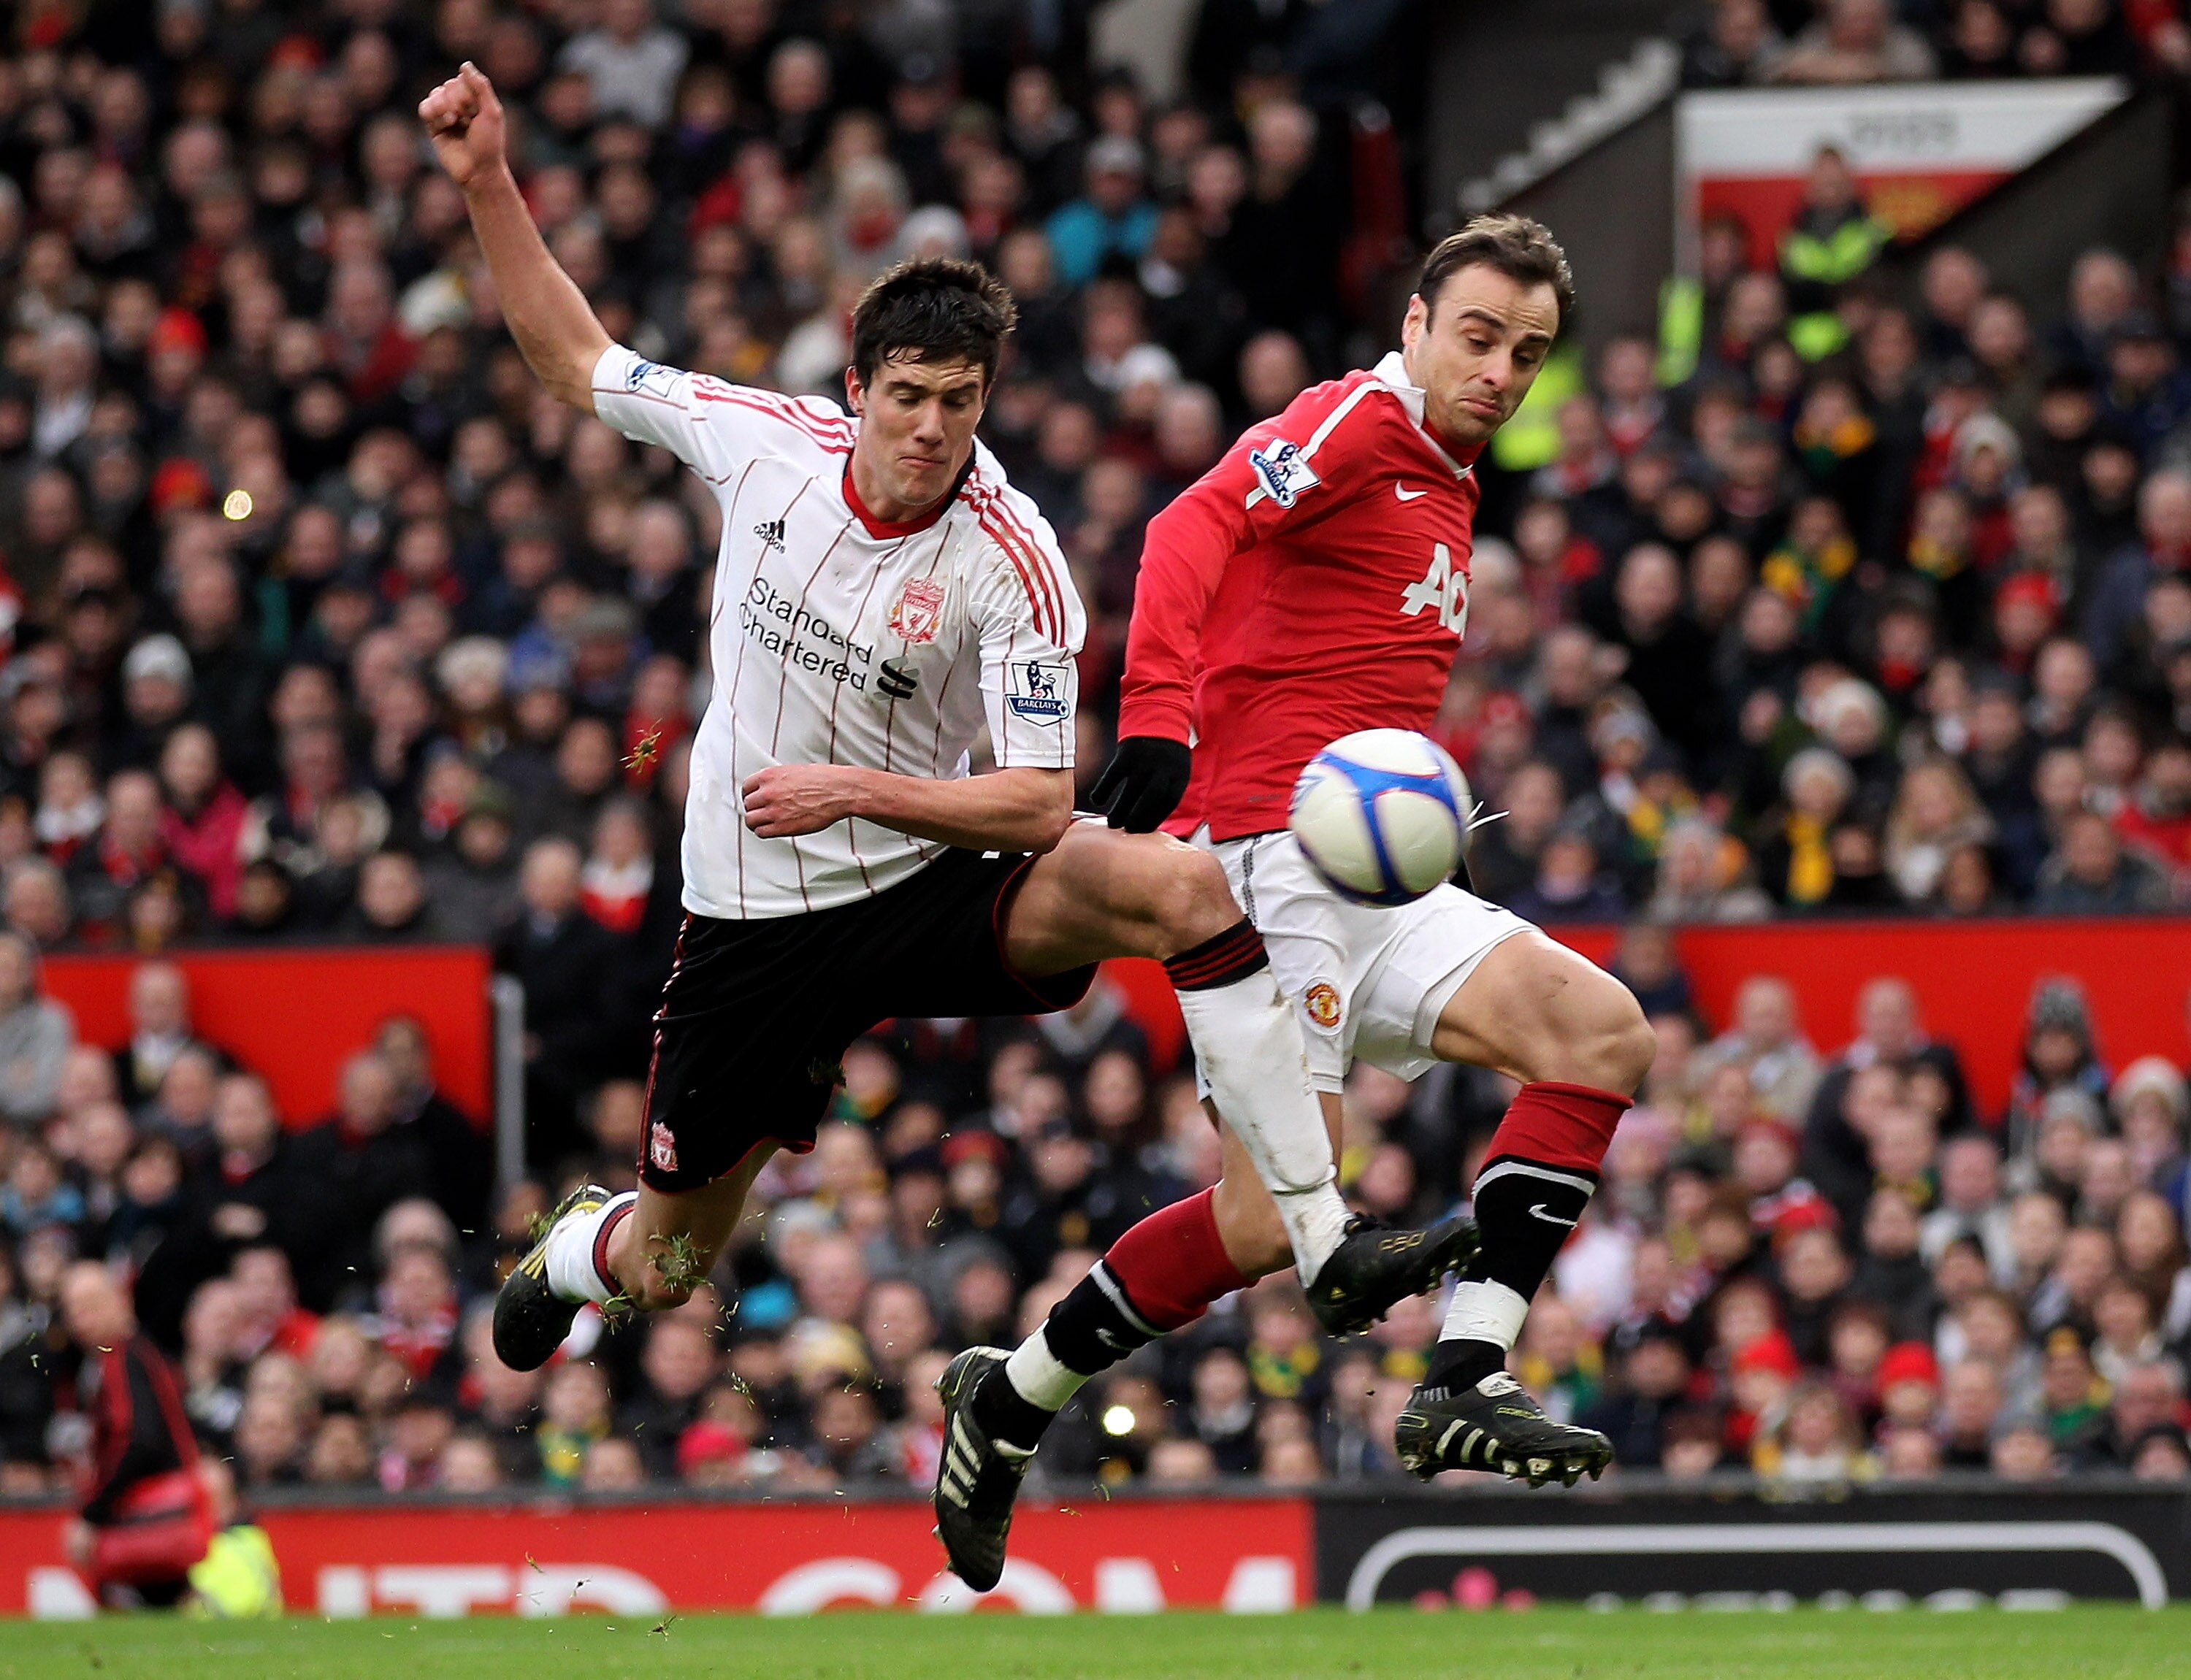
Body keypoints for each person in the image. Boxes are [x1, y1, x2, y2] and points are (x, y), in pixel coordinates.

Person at [418, 64, 1464, 1423]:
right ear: (856, 384)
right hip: (754, 919)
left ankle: (1319, 1227)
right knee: (669, 1266)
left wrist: (852, 790)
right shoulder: (762, 443)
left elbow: (1036, 805)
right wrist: (486, 179)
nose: (929, 429)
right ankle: (577, 1249)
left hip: (927, 878)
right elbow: (576, 359)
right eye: (907, 395)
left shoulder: (1014, 562)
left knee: (1186, 889)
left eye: (959, 402)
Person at [941, 215, 1655, 1586]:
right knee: (1275, 1220)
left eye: (1529, 352)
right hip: (1267, 857)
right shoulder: (1359, 424)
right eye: (1479, 337)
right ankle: (1017, 1392)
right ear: (1416, 328)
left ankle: (1462, 1375)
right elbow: (1189, 520)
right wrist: (1154, 709)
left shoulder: (1447, 474)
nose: (1501, 370)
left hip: (1382, 874)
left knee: (1603, 1034)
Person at [59, 1262, 212, 1608]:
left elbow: (134, 1438)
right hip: (170, 1511)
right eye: (75, 1310)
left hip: (144, 1516)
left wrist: (93, 1512)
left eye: (92, 1305)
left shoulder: (119, 1359)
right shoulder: (145, 1354)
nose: (83, 1320)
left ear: (120, 1301)